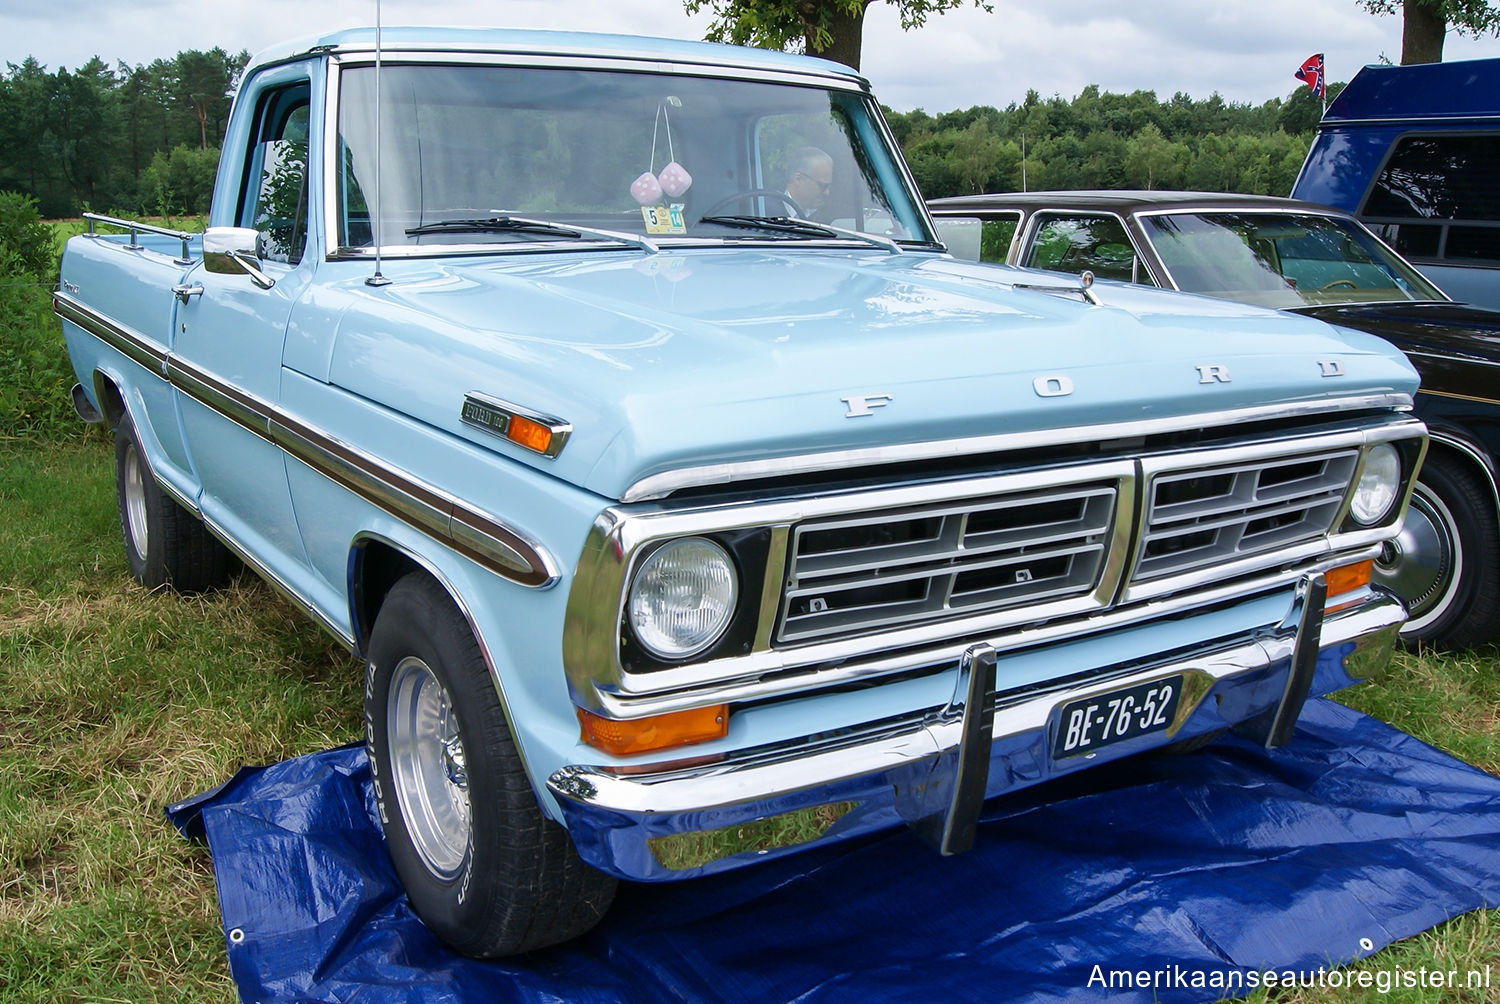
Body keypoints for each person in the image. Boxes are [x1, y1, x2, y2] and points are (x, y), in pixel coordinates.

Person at [784, 146, 833, 216]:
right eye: (822, 186)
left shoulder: (824, 217)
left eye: (828, 186)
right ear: (798, 179)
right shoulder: (765, 213)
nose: (827, 192)